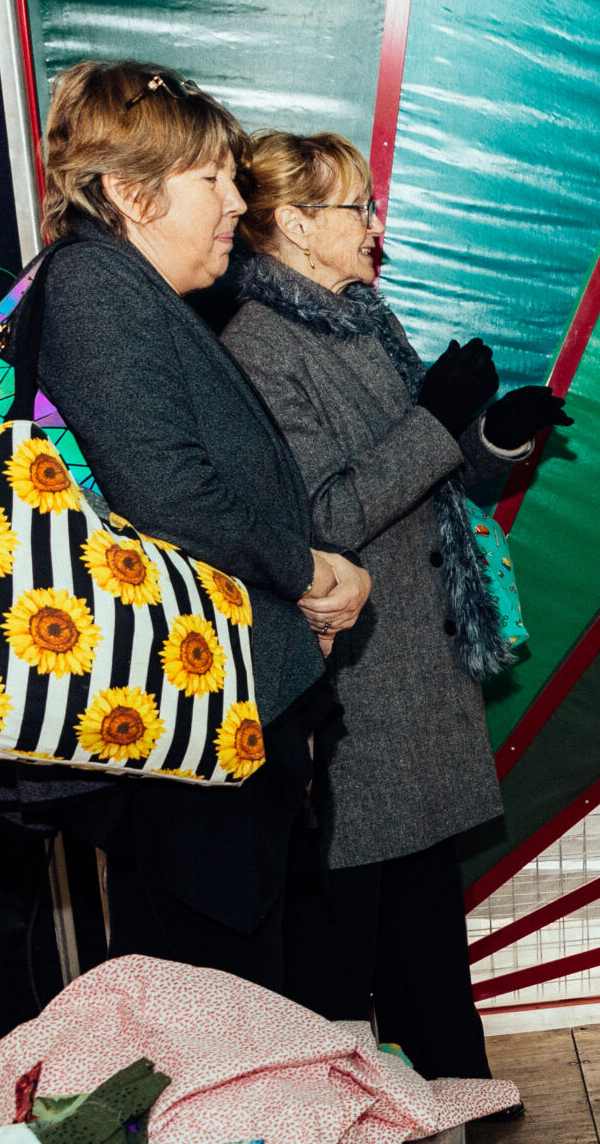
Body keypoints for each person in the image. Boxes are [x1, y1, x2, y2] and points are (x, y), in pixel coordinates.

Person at [223, 129, 567, 1079]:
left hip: (416, 658)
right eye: (357, 207)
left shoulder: (360, 319)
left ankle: (456, 1096)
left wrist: (493, 436)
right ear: (293, 224)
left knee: (422, 916)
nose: (376, 225)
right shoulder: (259, 347)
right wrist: (431, 421)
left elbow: (433, 485)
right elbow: (322, 515)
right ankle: (349, 1140)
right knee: (348, 931)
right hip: (356, 678)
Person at [25, 60, 372, 990]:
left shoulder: (131, 291)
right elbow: (167, 489)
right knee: (223, 997)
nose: (234, 199)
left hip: (221, 721)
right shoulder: (95, 291)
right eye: (212, 179)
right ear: (131, 194)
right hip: (196, 740)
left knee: (251, 984)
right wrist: (306, 572)